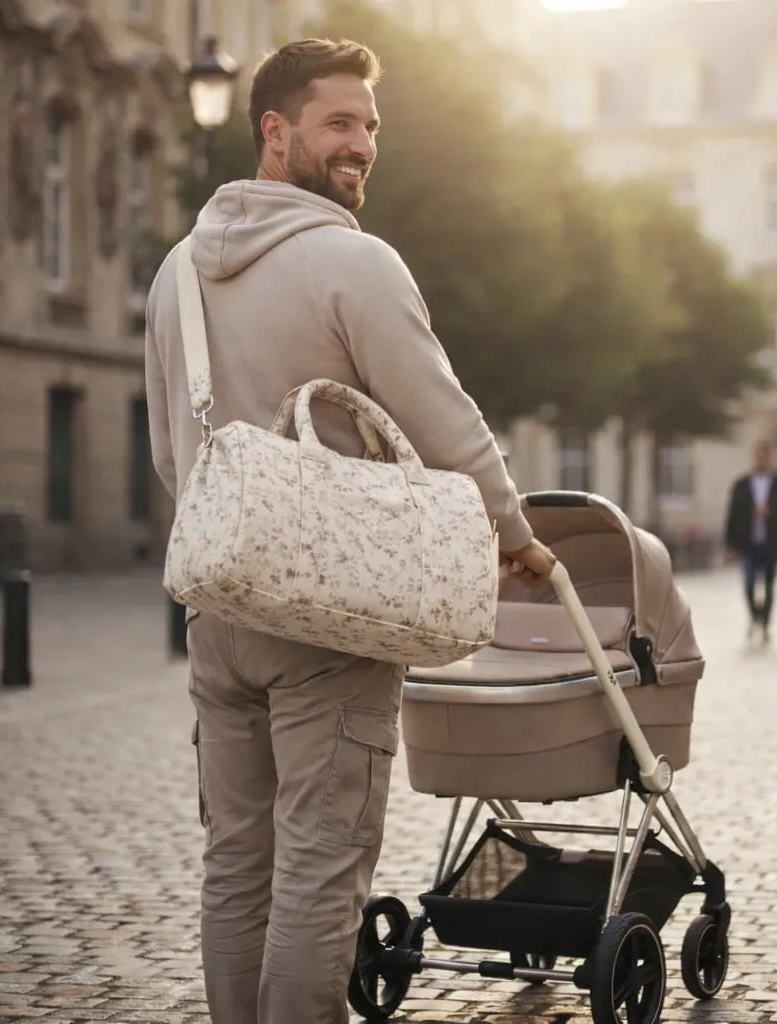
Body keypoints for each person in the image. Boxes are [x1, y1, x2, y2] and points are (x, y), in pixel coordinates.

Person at [144, 39, 556, 1024]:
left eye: (370, 126)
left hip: (219, 607)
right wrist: (512, 533)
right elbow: (445, 421)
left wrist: (224, 553)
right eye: (340, 122)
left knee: (236, 859)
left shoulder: (174, 276)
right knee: (322, 860)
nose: (363, 143)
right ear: (274, 131)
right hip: (332, 615)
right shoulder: (354, 264)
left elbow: (169, 448)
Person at [724, 439, 777, 643]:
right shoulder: (742, 485)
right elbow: (733, 514)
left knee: (770, 586)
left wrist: (772, 514)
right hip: (748, 543)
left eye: (765, 456)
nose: (762, 460)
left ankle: (765, 623)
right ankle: (755, 616)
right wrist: (730, 543)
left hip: (770, 542)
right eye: (759, 456)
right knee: (749, 583)